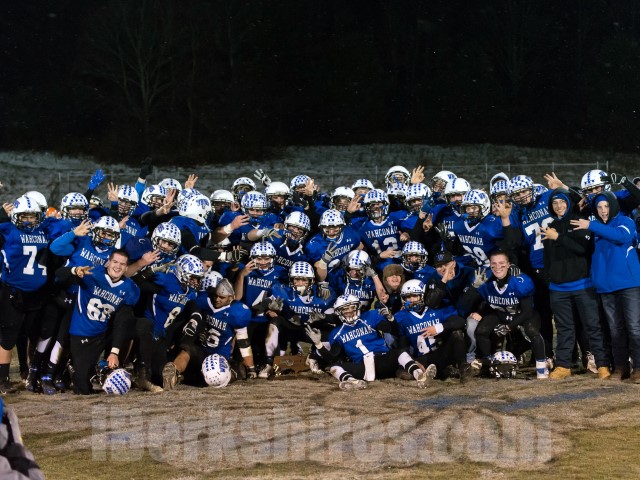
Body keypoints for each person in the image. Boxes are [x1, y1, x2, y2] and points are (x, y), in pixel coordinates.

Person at [541, 189, 610, 379]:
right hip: (558, 289)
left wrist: (558, 238)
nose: (559, 206)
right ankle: (563, 365)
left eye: (562, 202)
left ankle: (603, 364)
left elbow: (583, 249)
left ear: (568, 203)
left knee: (593, 326)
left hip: (582, 285)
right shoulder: (550, 227)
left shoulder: (580, 222)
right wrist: (550, 279)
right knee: (564, 328)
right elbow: (547, 259)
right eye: (555, 203)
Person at [571, 192, 640, 381]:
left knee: (634, 327)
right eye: (599, 207)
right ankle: (620, 367)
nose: (603, 211)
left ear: (613, 206)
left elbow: (621, 237)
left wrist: (591, 225)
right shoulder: (594, 228)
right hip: (605, 287)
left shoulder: (625, 221)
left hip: (629, 284)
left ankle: (638, 368)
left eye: (606, 206)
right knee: (615, 330)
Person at [62, 250, 140, 394]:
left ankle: (133, 368)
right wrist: (74, 270)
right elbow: (59, 274)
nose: (118, 266)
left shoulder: (129, 287)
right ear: (108, 263)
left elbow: (122, 321)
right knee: (82, 389)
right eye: (115, 262)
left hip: (104, 332)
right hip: (83, 332)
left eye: (122, 264)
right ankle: (71, 366)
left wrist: (114, 351)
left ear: (126, 268)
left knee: (139, 324)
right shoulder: (92, 273)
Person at [463, 250, 549, 379]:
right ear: (490, 265)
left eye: (501, 263)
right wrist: (474, 288)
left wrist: (508, 327)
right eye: (494, 264)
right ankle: (490, 364)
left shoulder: (519, 280)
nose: (497, 267)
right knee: (482, 330)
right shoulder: (485, 279)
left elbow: (527, 311)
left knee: (532, 331)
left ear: (508, 264)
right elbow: (466, 305)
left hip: (522, 314)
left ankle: (542, 366)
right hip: (501, 314)